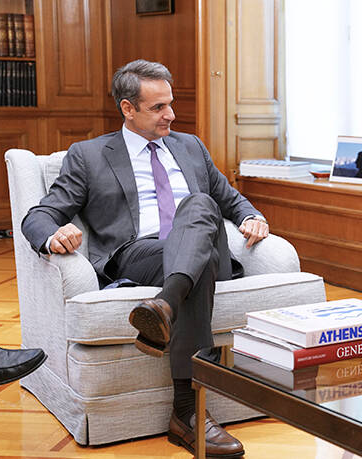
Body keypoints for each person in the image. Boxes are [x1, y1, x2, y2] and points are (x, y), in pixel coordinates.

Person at [21, 59, 266, 458]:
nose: (171, 115)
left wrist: (252, 217)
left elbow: (231, 199)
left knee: (200, 205)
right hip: (140, 253)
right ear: (128, 108)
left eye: (171, 103)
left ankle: (165, 307)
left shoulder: (191, 146)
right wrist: (53, 235)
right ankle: (187, 410)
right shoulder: (89, 155)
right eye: (158, 107)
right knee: (198, 261)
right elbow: (40, 214)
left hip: (202, 244)